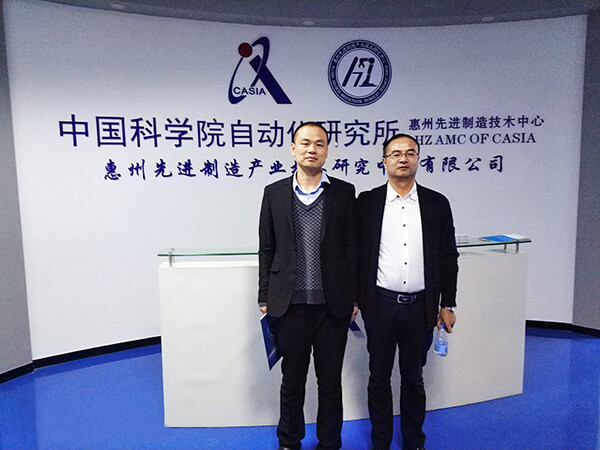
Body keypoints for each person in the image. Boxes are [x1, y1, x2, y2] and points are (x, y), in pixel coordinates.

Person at [258, 122, 358, 450]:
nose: (311, 149)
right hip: (290, 305)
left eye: (319, 143)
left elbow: (351, 248)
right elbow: (267, 247)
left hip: (333, 306)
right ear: (293, 149)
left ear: (327, 151)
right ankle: (289, 441)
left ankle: (329, 442)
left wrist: (354, 297)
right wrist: (264, 296)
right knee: (292, 380)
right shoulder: (274, 192)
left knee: (330, 382)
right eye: (305, 143)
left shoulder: (344, 192)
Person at [357, 133, 459, 450]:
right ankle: (381, 441)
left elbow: (449, 256)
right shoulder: (367, 202)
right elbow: (355, 254)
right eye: (396, 153)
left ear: (418, 159)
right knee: (378, 378)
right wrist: (355, 299)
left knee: (413, 378)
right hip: (380, 305)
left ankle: (414, 441)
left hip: (420, 307)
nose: (403, 158)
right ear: (384, 161)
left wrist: (448, 303)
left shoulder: (437, 203)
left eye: (410, 153)